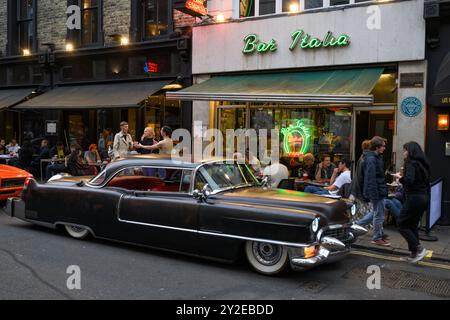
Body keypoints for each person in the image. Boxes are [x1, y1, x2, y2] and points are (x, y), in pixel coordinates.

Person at [393, 142, 430, 263]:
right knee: (412, 225)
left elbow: (409, 180)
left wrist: (400, 178)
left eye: (405, 150)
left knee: (402, 224)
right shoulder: (422, 163)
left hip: (414, 198)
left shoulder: (410, 163)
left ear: (410, 151)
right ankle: (414, 254)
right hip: (423, 198)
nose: (403, 153)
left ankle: (419, 249)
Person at [356, 136, 390, 247]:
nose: (385, 148)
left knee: (375, 213)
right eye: (383, 146)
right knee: (379, 215)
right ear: (377, 147)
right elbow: (370, 178)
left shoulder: (375, 157)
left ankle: (355, 226)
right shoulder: (371, 159)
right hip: (377, 191)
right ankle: (377, 238)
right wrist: (374, 194)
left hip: (378, 190)